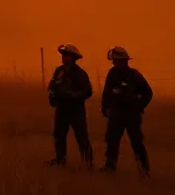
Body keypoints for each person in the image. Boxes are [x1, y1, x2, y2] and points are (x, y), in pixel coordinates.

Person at [101, 46, 153, 176]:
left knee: (136, 141)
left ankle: (144, 169)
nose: (113, 62)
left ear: (123, 61)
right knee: (112, 140)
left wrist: (139, 106)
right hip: (116, 114)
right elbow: (107, 92)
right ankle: (109, 167)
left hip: (131, 115)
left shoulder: (134, 75)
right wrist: (105, 107)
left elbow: (148, 93)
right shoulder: (112, 74)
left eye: (115, 60)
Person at [46, 43, 94, 169]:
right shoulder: (59, 71)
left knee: (81, 137)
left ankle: (88, 164)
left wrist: (73, 95)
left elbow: (87, 91)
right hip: (61, 109)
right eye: (63, 55)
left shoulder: (80, 73)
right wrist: (52, 93)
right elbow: (53, 85)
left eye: (67, 55)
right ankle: (60, 160)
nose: (64, 57)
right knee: (59, 135)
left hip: (76, 111)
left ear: (73, 58)